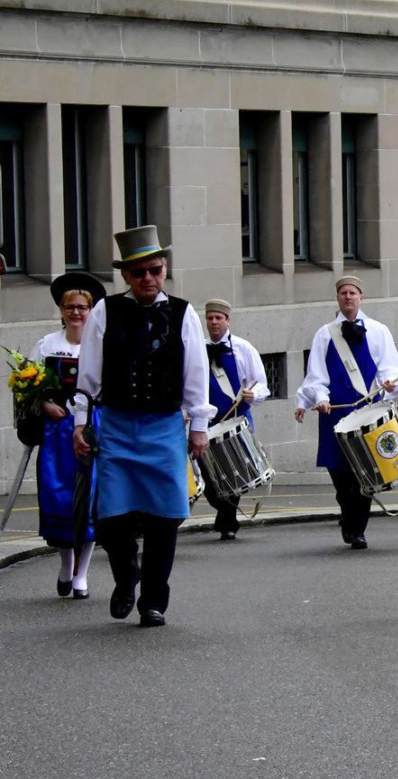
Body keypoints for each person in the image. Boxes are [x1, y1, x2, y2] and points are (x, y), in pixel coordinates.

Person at [74, 226, 214, 627]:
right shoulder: (105, 310)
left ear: (165, 269)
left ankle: (153, 600)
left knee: (163, 519)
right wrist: (80, 424)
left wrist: (199, 425)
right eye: (139, 273)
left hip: (165, 426)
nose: (148, 279)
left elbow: (196, 373)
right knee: (111, 517)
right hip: (117, 425)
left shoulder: (183, 312)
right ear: (126, 277)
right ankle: (125, 578)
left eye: (155, 270)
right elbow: (89, 374)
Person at [294, 276, 398, 550]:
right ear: (338, 298)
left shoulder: (379, 331)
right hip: (335, 414)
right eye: (343, 293)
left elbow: (390, 368)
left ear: (361, 297)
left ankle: (357, 530)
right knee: (340, 475)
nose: (348, 297)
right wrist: (319, 398)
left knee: (364, 474)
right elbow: (315, 374)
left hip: (368, 413)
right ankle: (347, 514)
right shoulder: (324, 334)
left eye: (352, 292)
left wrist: (389, 386)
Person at [27, 273, 105, 597]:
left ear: (91, 310)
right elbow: (27, 387)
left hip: (91, 430)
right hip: (56, 433)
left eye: (82, 307)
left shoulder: (100, 345)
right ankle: (65, 563)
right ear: (61, 310)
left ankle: (82, 574)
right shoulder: (47, 345)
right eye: (70, 307)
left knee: (88, 498)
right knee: (59, 497)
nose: (76, 313)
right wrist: (44, 404)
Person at [199, 299, 270, 539]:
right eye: (210, 318)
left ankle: (228, 522)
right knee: (207, 475)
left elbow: (261, 383)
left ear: (227, 321)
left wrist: (253, 395)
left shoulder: (243, 348)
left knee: (233, 471)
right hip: (206, 422)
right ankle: (224, 511)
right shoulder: (197, 350)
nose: (214, 322)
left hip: (237, 419)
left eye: (219, 318)